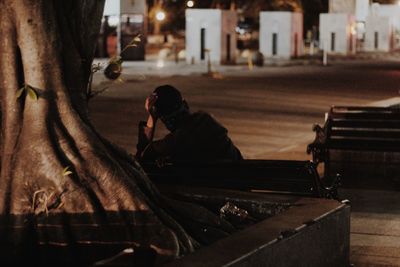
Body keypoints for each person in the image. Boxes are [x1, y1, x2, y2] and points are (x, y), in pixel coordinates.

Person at [136, 85, 243, 162]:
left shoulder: (172, 142)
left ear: (164, 119)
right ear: (185, 104)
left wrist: (152, 118)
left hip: (205, 190)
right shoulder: (208, 121)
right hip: (236, 183)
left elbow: (141, 158)